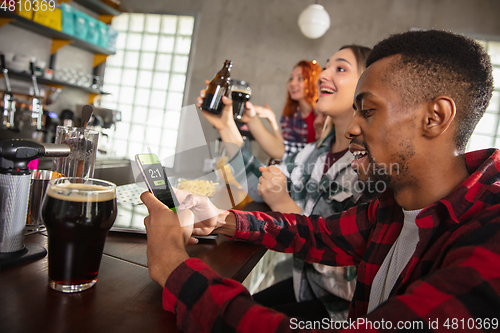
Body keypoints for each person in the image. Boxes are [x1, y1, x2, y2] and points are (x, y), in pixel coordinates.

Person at [142, 29, 498, 332]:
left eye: (369, 110)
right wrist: (222, 219)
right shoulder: (393, 206)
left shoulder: (489, 241)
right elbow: (318, 233)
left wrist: (173, 265)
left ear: (435, 117)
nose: (355, 127)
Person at [198, 45, 371, 321]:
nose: (324, 74)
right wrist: (225, 125)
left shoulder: (369, 166)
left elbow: (353, 272)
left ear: (368, 84)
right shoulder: (313, 153)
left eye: (340, 68)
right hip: (305, 288)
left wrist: (285, 205)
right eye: (326, 67)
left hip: (340, 310)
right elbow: (258, 184)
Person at [200, 60, 321, 162]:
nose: (293, 83)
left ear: (314, 81)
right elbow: (283, 150)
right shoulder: (290, 115)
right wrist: (272, 122)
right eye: (291, 78)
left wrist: (253, 121)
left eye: (300, 78)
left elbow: (284, 152)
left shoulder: (322, 114)